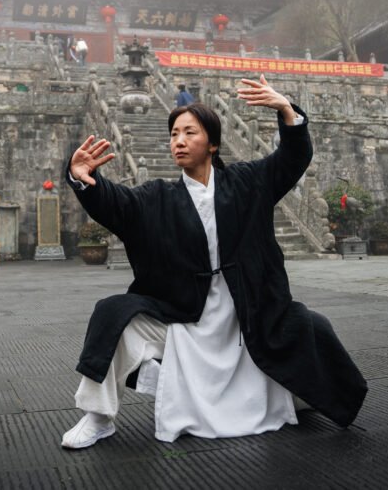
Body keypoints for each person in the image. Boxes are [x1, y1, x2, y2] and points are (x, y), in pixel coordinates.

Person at [61, 74, 367, 449]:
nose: (179, 141)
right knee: (115, 317)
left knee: (311, 327)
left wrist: (286, 110)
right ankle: (97, 417)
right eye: (174, 134)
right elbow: (117, 204)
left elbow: (292, 158)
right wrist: (82, 178)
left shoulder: (248, 183)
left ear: (213, 143)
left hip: (247, 314)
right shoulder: (158, 198)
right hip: (186, 315)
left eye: (189, 132)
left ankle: (299, 395)